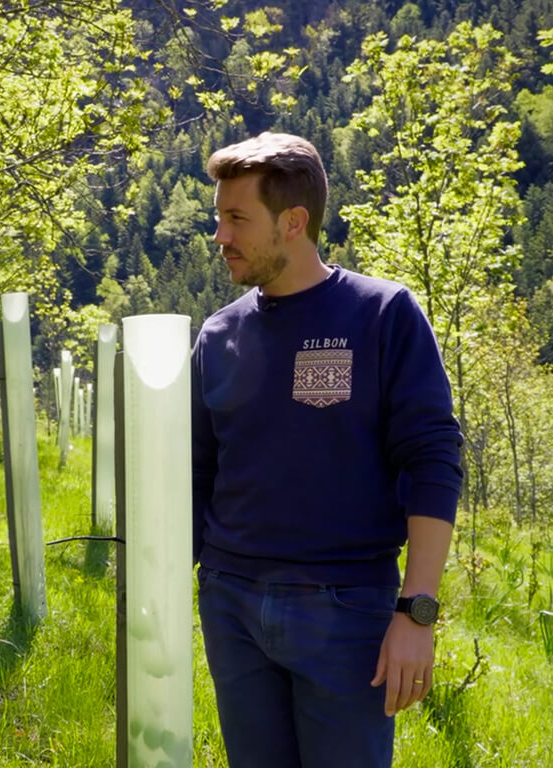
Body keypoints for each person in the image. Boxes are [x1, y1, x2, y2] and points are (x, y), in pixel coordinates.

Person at [191, 132, 462, 768]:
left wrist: (417, 614)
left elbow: (433, 459)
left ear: (293, 221)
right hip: (231, 604)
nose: (220, 236)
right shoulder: (218, 334)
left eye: (237, 219)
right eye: (218, 217)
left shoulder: (382, 314)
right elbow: (198, 472)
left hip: (346, 611)